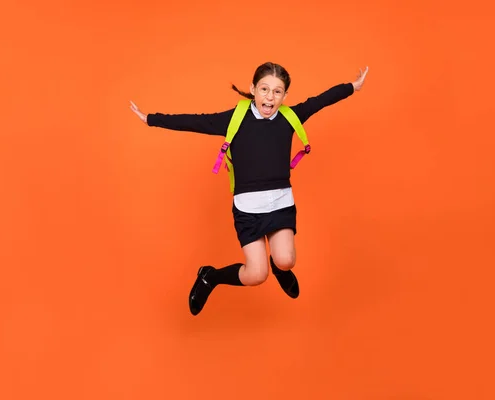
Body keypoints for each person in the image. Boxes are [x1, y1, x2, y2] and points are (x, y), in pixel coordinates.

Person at [130, 62, 368, 315]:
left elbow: (321, 100)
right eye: (264, 89)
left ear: (285, 96)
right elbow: (195, 122)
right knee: (256, 275)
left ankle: (280, 267)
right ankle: (211, 277)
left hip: (280, 203)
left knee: (286, 260)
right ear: (253, 88)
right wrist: (152, 120)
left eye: (278, 91)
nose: (270, 96)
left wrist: (353, 86)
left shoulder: (291, 117)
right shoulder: (236, 119)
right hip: (248, 209)